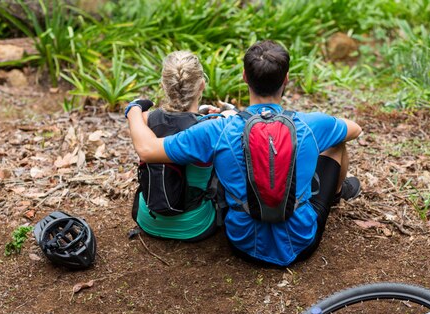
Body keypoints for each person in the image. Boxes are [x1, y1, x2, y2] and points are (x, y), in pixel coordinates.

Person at [126, 40, 362, 266]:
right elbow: (355, 129)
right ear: (286, 79)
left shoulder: (217, 128)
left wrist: (133, 110)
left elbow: (147, 150)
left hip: (243, 244)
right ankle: (335, 196)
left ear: (244, 77)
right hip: (300, 242)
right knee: (337, 143)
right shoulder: (309, 124)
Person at [131, 51, 221, 242]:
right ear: (202, 85)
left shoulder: (144, 120)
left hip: (148, 220)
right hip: (194, 226)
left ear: (163, 85)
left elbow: (175, 120)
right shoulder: (207, 130)